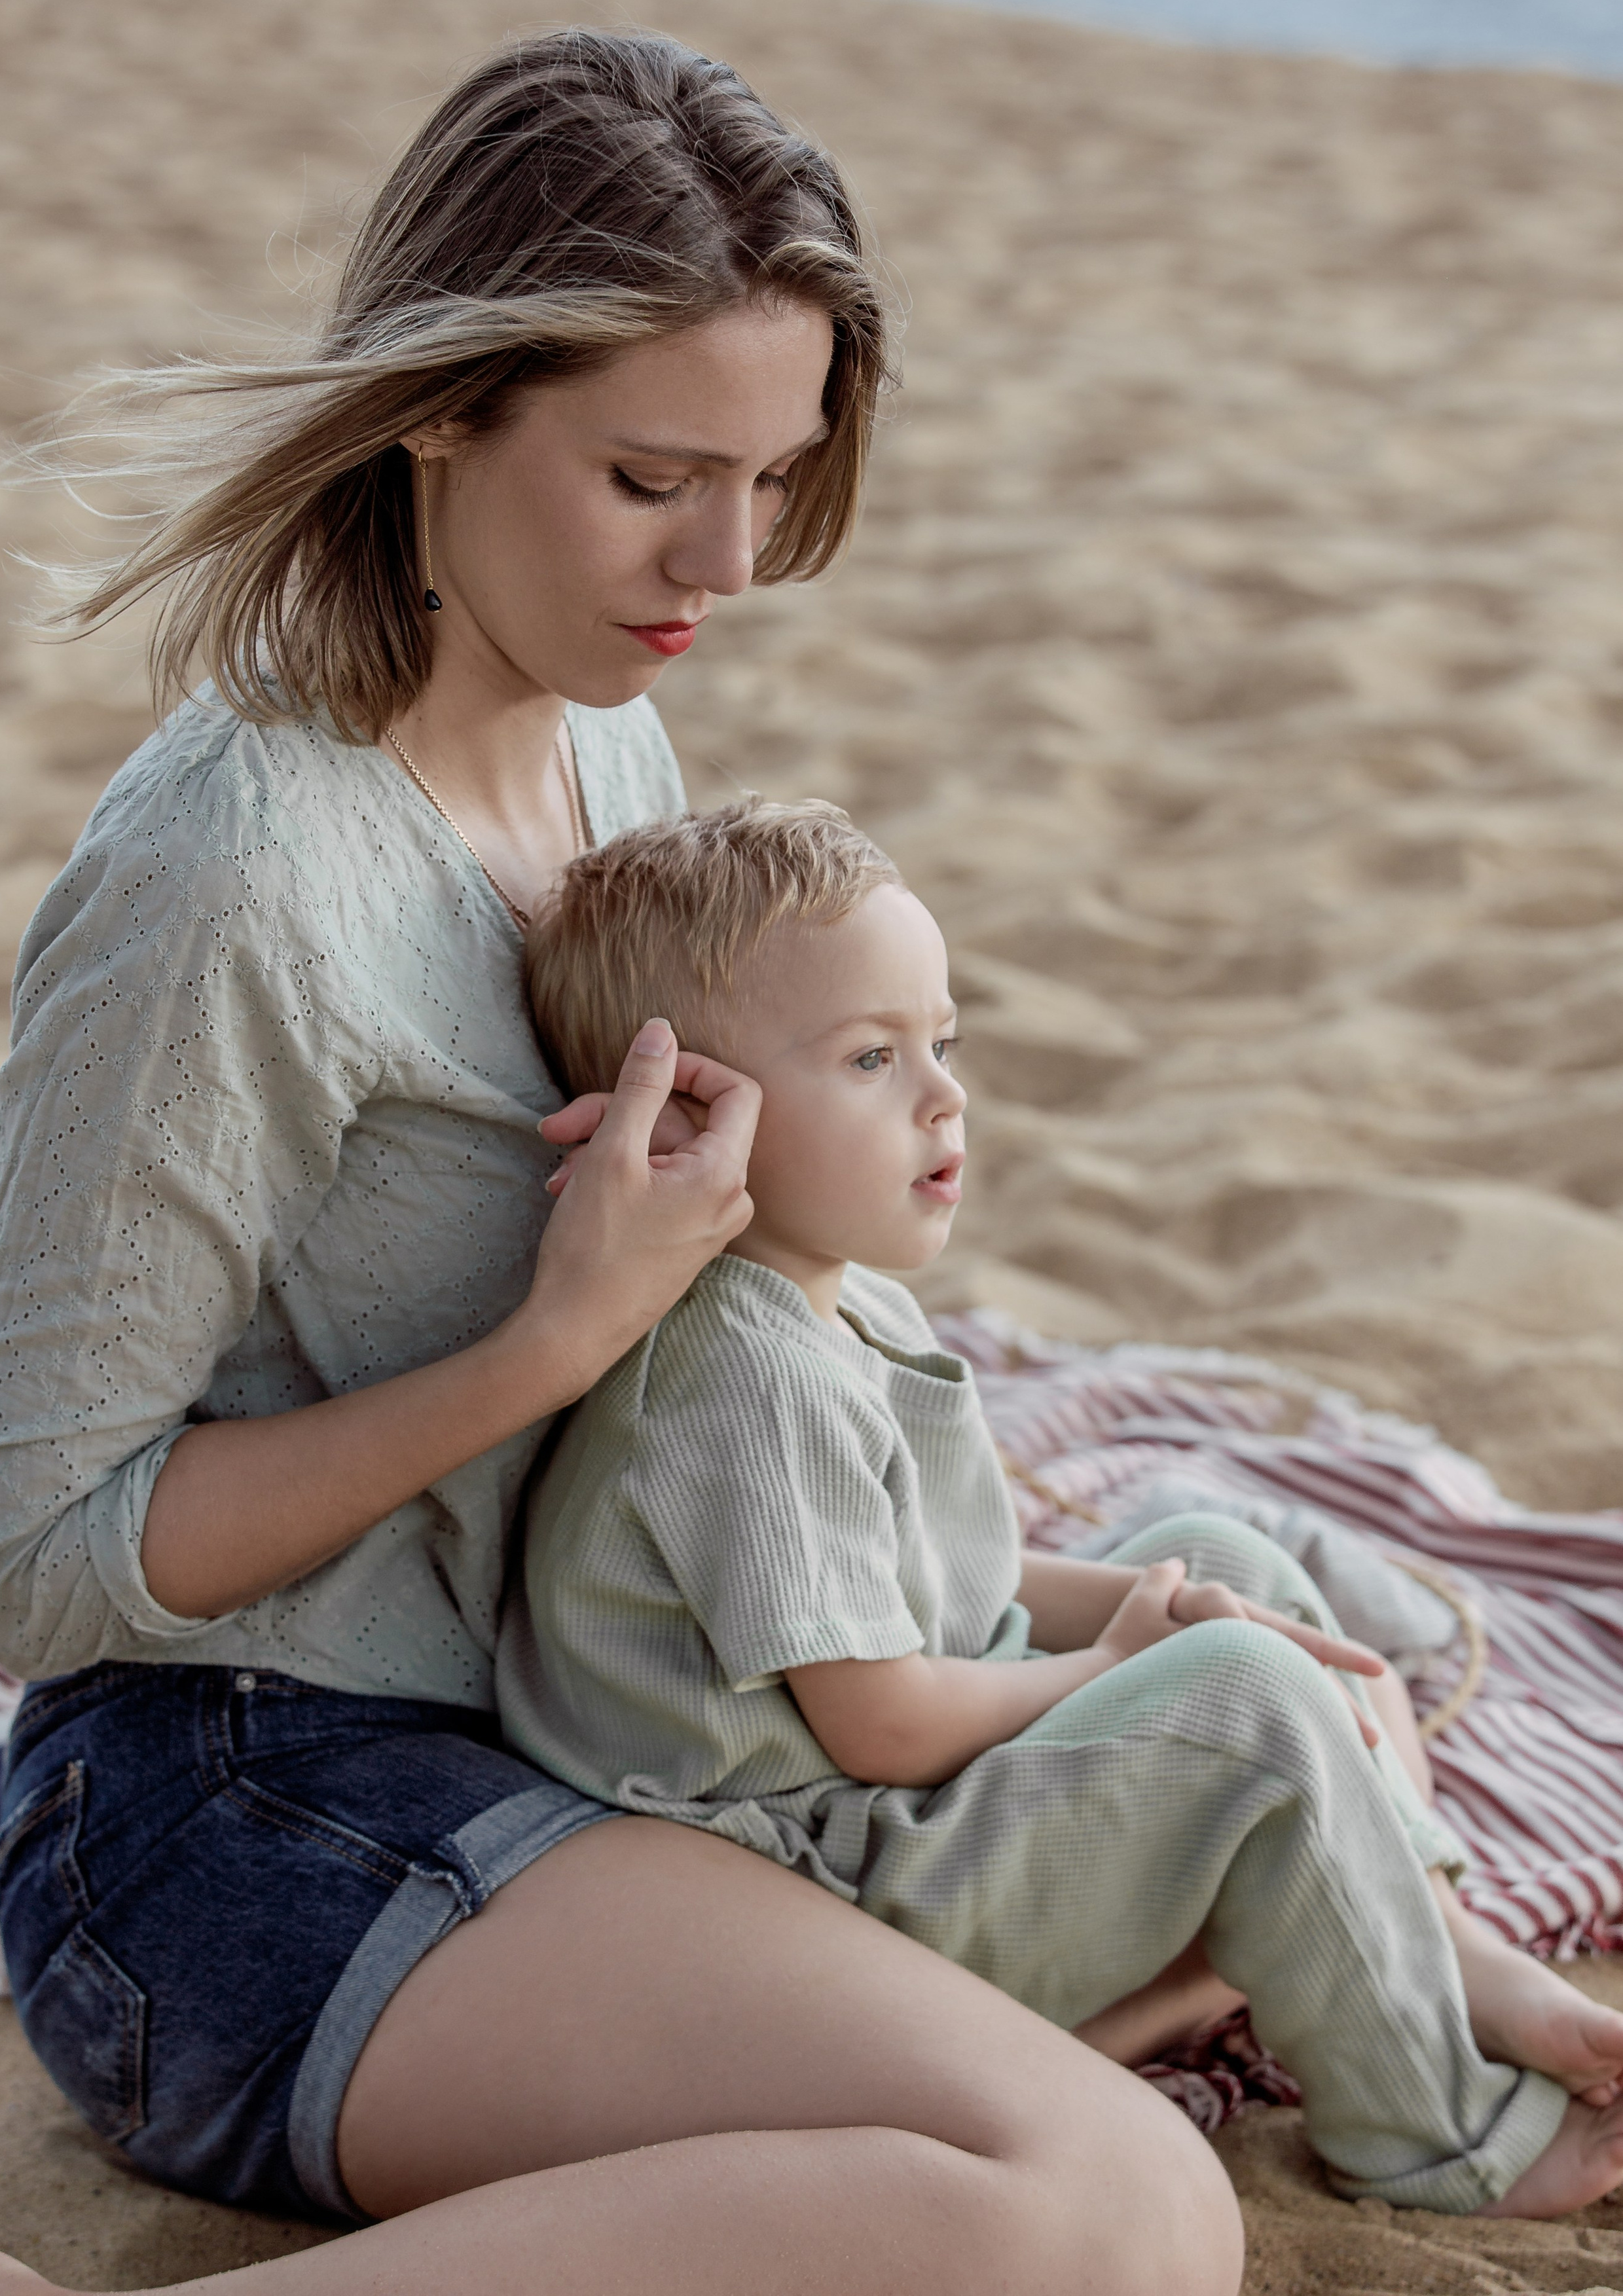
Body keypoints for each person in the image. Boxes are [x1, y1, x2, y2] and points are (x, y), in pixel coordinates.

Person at [0, 29, 1245, 2296]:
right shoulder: (229, 885)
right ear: (438, 407)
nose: (728, 561)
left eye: (773, 476)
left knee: (1224, 1813)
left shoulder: (605, 730)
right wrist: (556, 1338)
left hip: (594, 1740)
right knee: (1112, 2213)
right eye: (656, 475)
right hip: (238, 1816)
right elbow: (36, 1565)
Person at [503, 793, 1623, 2221]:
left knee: (1210, 1554)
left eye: (941, 1044)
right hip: (825, 1887)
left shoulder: (833, 1302)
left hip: (888, 1802)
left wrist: (1158, 1611)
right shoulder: (735, 1378)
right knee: (1238, 1696)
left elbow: (939, 1579)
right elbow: (882, 1720)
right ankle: (1443, 2135)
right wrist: (1107, 1671)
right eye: (869, 1057)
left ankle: (1436, 1940)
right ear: (695, 1117)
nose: (943, 1097)